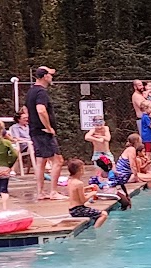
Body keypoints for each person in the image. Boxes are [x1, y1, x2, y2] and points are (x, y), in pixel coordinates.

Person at [26, 67, 61, 201]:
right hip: (43, 132)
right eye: (50, 75)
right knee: (57, 161)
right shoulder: (41, 92)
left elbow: (26, 109)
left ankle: (40, 192)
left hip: (34, 131)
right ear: (45, 76)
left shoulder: (31, 91)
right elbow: (41, 110)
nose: (51, 77)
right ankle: (53, 192)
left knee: (41, 162)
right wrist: (48, 127)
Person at [63, 158, 107, 226]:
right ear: (80, 170)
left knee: (95, 215)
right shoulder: (79, 183)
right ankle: (95, 229)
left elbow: (75, 192)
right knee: (104, 214)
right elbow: (83, 200)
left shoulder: (70, 180)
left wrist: (87, 188)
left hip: (72, 210)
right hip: (79, 210)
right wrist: (92, 193)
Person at [131, 80, 151, 159]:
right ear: (135, 87)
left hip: (148, 118)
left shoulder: (143, 94)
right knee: (145, 142)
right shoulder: (136, 96)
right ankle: (144, 160)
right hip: (142, 119)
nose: (142, 87)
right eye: (139, 85)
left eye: (142, 85)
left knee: (149, 144)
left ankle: (147, 160)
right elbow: (143, 107)